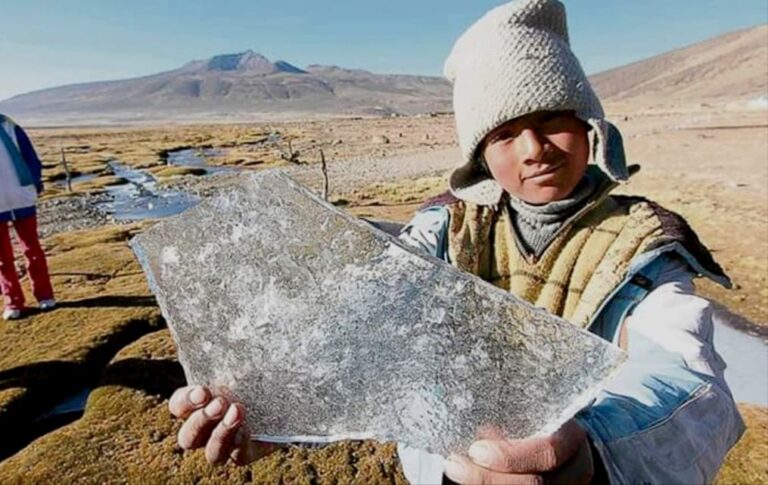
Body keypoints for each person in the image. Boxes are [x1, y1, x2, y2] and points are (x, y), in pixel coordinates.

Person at [168, 0, 745, 483]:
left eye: (552, 120)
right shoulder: (443, 234)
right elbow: (357, 330)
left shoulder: (643, 246)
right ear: (480, 156)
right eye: (504, 132)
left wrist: (595, 455)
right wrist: (274, 413)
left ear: (592, 128)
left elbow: (687, 380)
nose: (533, 148)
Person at [0, 113, 56, 320]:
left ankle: (45, 295)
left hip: (22, 197)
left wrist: (34, 182)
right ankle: (13, 302)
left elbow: (30, 157)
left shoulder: (9, 127)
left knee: (32, 250)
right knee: (2, 258)